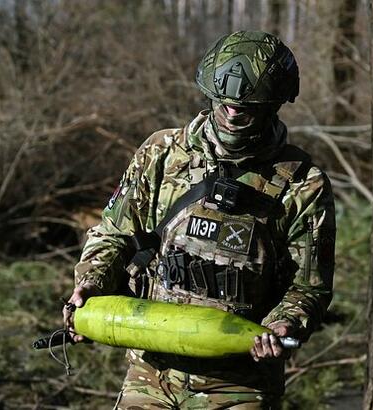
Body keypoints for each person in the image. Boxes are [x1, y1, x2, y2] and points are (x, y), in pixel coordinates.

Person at [63, 30, 335, 409]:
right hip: (151, 371)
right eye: (224, 102)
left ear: (274, 103)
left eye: (247, 104)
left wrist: (283, 324)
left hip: (240, 383)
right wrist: (90, 285)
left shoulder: (302, 184)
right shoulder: (161, 154)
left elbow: (309, 287)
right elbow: (113, 235)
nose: (234, 111)